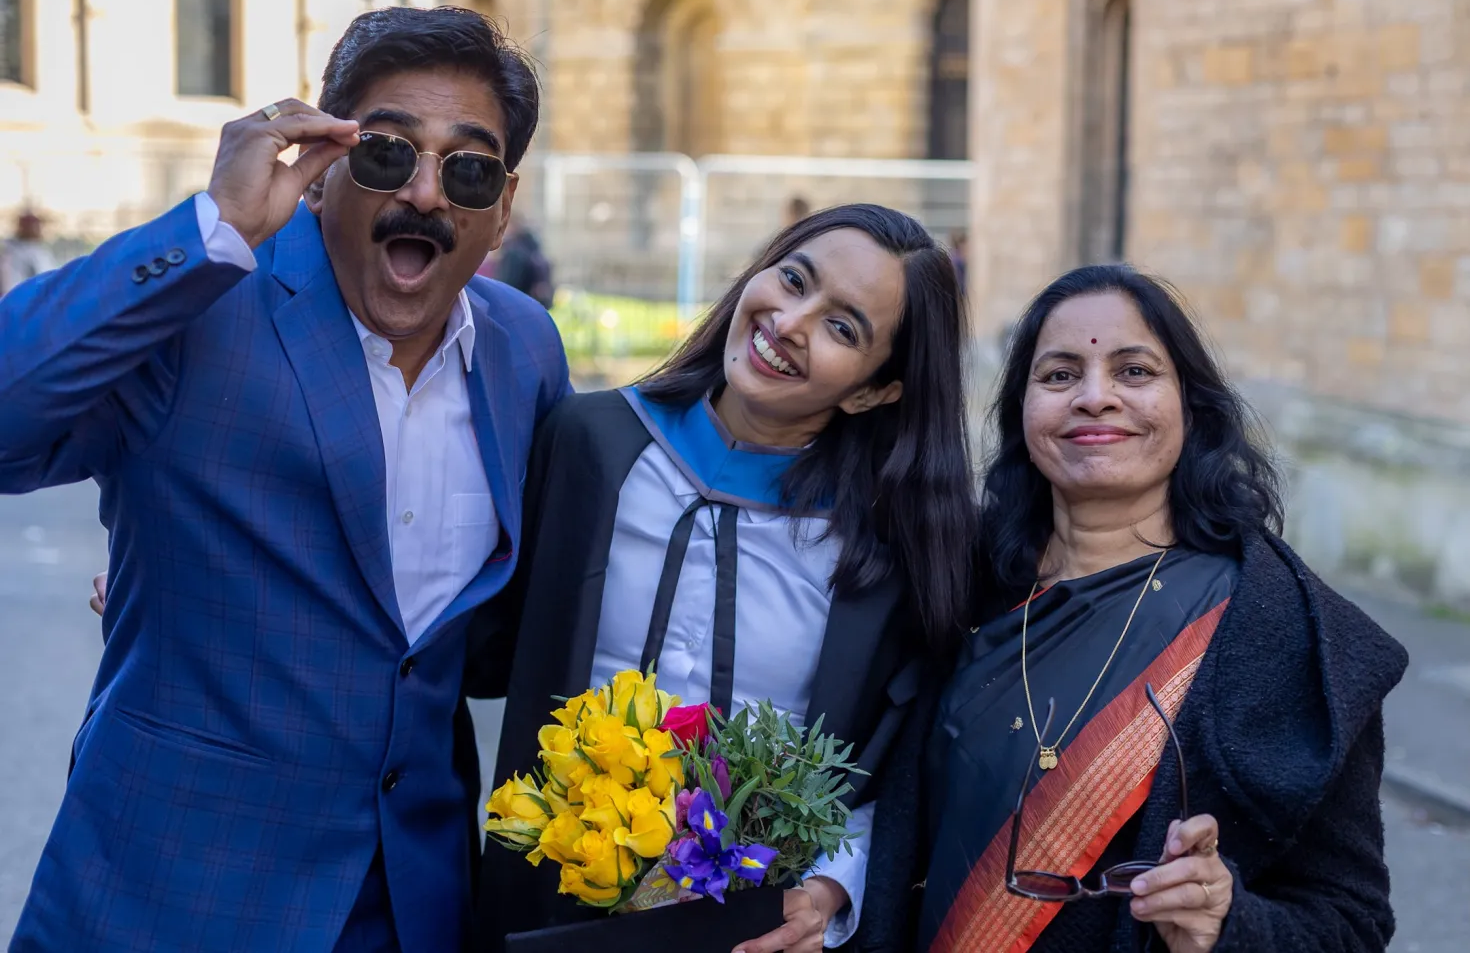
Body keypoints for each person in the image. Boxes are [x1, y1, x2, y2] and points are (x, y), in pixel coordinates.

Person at [0, 7, 567, 953]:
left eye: (467, 169)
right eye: (388, 152)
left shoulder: (526, 350)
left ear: (501, 207)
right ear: (322, 164)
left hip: (414, 907)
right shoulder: (200, 309)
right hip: (169, 899)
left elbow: (488, 632)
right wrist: (212, 226)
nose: (426, 194)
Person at [467, 204, 980, 953]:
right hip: (542, 906)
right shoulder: (590, 445)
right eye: (794, 280)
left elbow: (895, 767)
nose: (792, 322)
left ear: (876, 390)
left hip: (748, 928)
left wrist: (834, 886)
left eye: (843, 328)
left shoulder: (885, 547)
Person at [867, 264, 1408, 952]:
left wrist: (1227, 922)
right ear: (1022, 412)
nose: (1096, 398)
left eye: (1135, 372)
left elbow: (1351, 923)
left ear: (1191, 404)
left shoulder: (1286, 636)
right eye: (1060, 375)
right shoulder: (952, 590)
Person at [485, 216, 554, 308]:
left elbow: (507, 285)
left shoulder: (514, 252)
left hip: (516, 304)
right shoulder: (532, 247)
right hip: (534, 305)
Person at [0, 209, 59, 296]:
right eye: (31, 225)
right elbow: (11, 287)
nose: (36, 229)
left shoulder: (42, 251)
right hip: (23, 303)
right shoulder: (12, 253)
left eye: (37, 225)